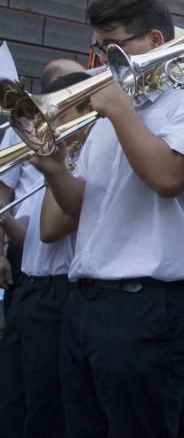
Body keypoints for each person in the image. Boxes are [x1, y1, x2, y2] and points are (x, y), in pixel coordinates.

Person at [33, 0, 184, 437]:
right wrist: (55, 171)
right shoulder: (109, 114)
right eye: (99, 48)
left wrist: (120, 111)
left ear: (156, 42)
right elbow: (87, 211)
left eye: (114, 44)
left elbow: (167, 179)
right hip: (89, 302)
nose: (102, 62)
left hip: (154, 306)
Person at [0, 70, 89, 438]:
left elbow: (52, 233)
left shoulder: (78, 162)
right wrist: (4, 222)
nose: (47, 125)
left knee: (45, 406)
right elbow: (32, 241)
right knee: (11, 399)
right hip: (31, 287)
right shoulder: (47, 165)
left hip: (62, 293)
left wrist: (55, 167)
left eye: (59, 114)